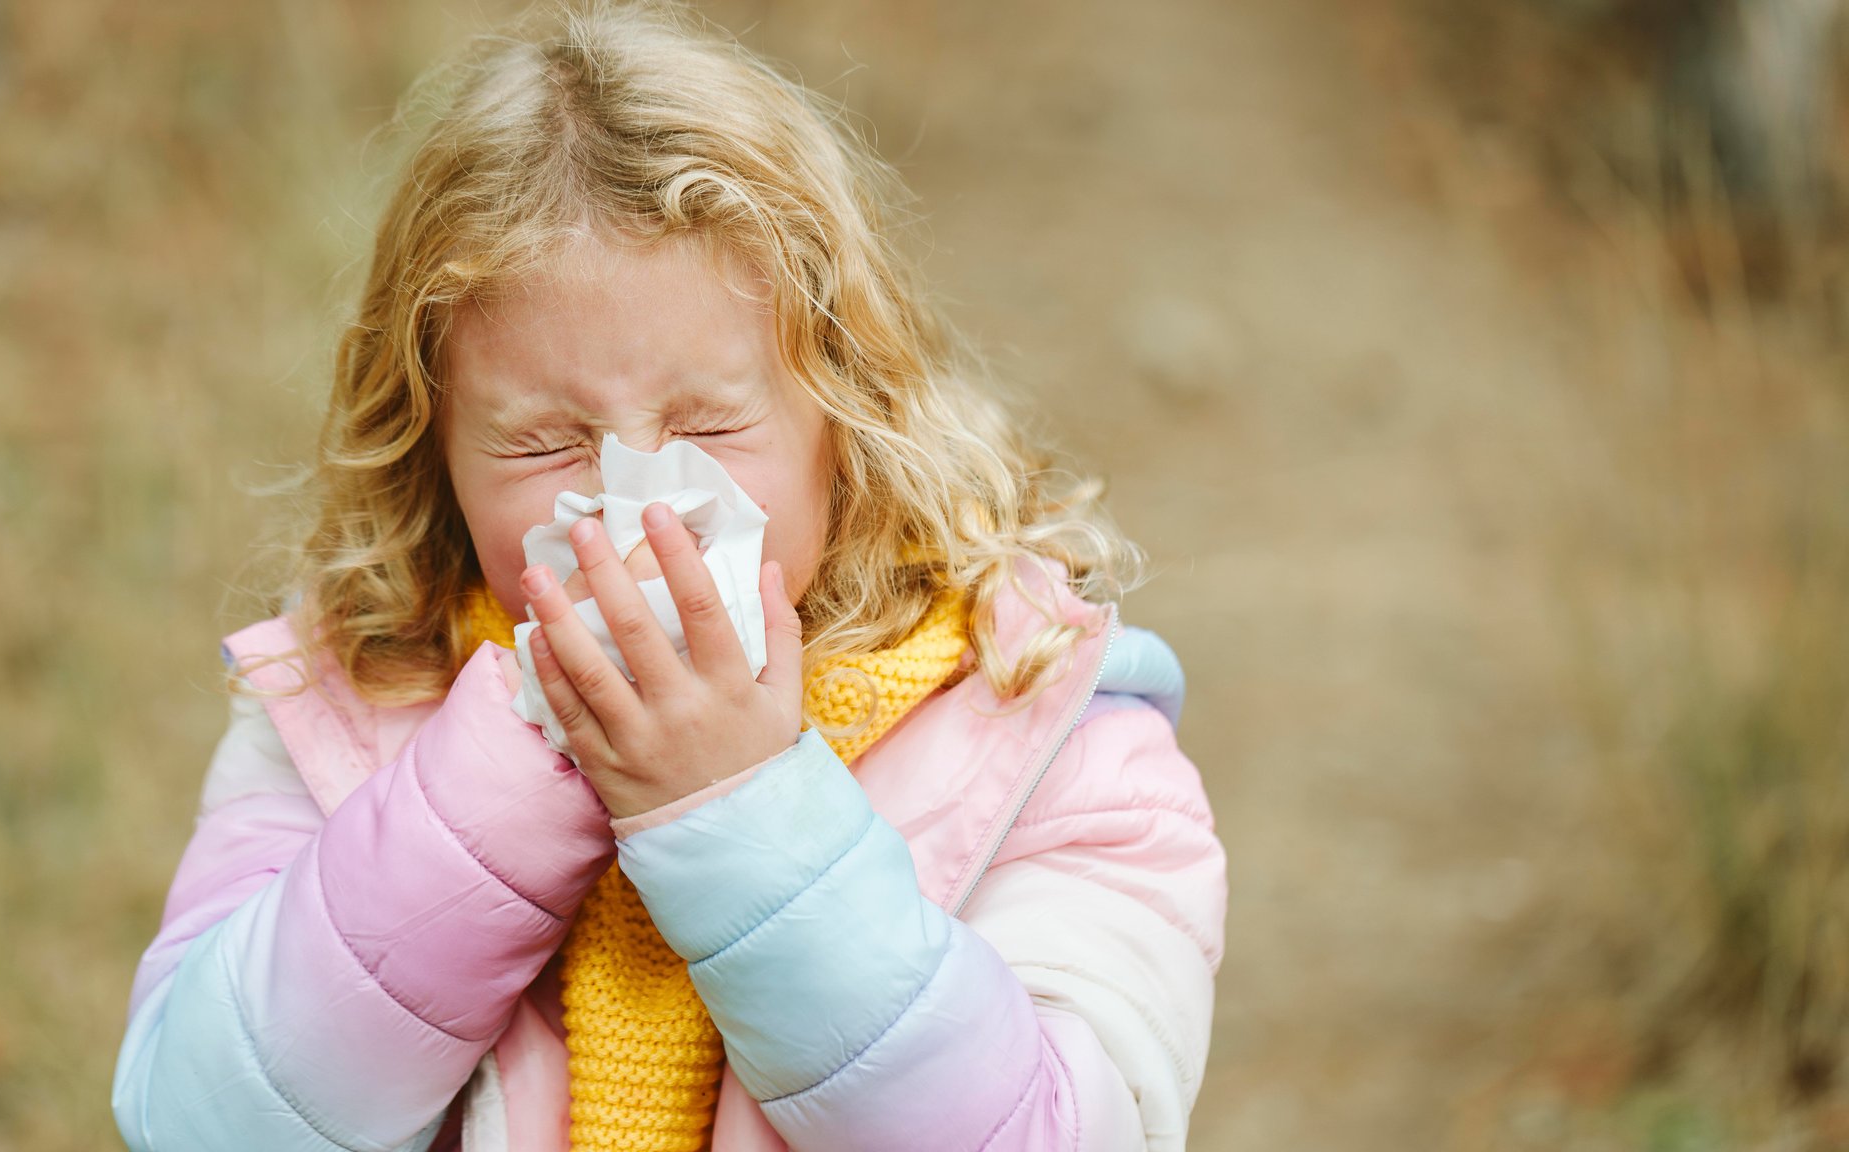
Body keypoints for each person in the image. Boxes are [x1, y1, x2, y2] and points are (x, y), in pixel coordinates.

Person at [110, 4, 1225, 1150]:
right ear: (429, 446)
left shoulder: (1039, 734)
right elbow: (199, 1123)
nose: (638, 503)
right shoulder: (351, 701)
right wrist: (510, 777)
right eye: (544, 442)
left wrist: (737, 815)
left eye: (705, 424)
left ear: (845, 413)